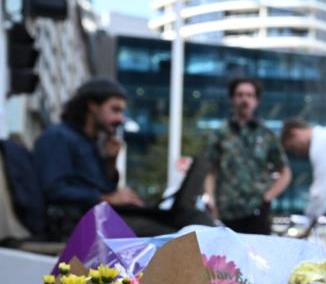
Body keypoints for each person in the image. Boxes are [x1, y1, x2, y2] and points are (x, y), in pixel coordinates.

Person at [34, 78, 175, 237]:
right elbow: (54, 188)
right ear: (92, 106)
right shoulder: (58, 137)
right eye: (115, 110)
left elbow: (102, 187)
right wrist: (105, 198)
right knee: (168, 235)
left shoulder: (91, 143)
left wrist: (110, 162)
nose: (120, 119)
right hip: (75, 223)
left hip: (96, 218)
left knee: (176, 221)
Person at [204, 78, 292, 234]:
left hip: (257, 213)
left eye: (250, 95)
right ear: (232, 99)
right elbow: (211, 171)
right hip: (226, 214)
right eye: (240, 95)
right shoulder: (220, 134)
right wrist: (210, 198)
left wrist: (267, 197)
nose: (245, 99)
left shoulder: (266, 134)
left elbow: (285, 172)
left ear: (256, 101)